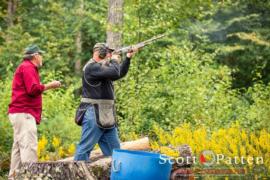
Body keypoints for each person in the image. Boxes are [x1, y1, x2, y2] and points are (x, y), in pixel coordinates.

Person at [74, 43, 137, 161]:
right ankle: (76, 174)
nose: (110, 55)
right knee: (85, 149)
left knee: (116, 153)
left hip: (106, 113)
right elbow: (114, 71)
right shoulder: (92, 67)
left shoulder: (102, 68)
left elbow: (118, 74)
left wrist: (128, 58)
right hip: (93, 112)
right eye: (108, 52)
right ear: (99, 53)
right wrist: (114, 60)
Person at [8, 44, 61, 179]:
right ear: (35, 56)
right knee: (29, 148)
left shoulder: (25, 67)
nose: (42, 57)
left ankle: (13, 177)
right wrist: (50, 85)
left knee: (18, 150)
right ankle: (32, 177)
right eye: (40, 55)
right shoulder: (28, 67)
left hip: (21, 113)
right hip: (24, 113)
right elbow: (33, 89)